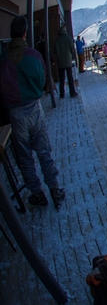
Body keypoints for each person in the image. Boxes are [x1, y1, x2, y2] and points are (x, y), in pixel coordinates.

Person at [0, 16, 65, 209]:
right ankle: (54, 190)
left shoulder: (3, 60)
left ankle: (37, 194)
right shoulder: (33, 55)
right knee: (44, 150)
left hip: (15, 114)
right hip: (34, 109)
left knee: (25, 157)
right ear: (25, 33)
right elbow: (43, 79)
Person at [54, 25, 78, 98]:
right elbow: (72, 49)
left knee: (61, 79)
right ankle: (72, 92)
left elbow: (55, 51)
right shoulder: (68, 38)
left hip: (60, 62)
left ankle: (62, 93)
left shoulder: (57, 41)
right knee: (70, 77)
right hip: (68, 61)